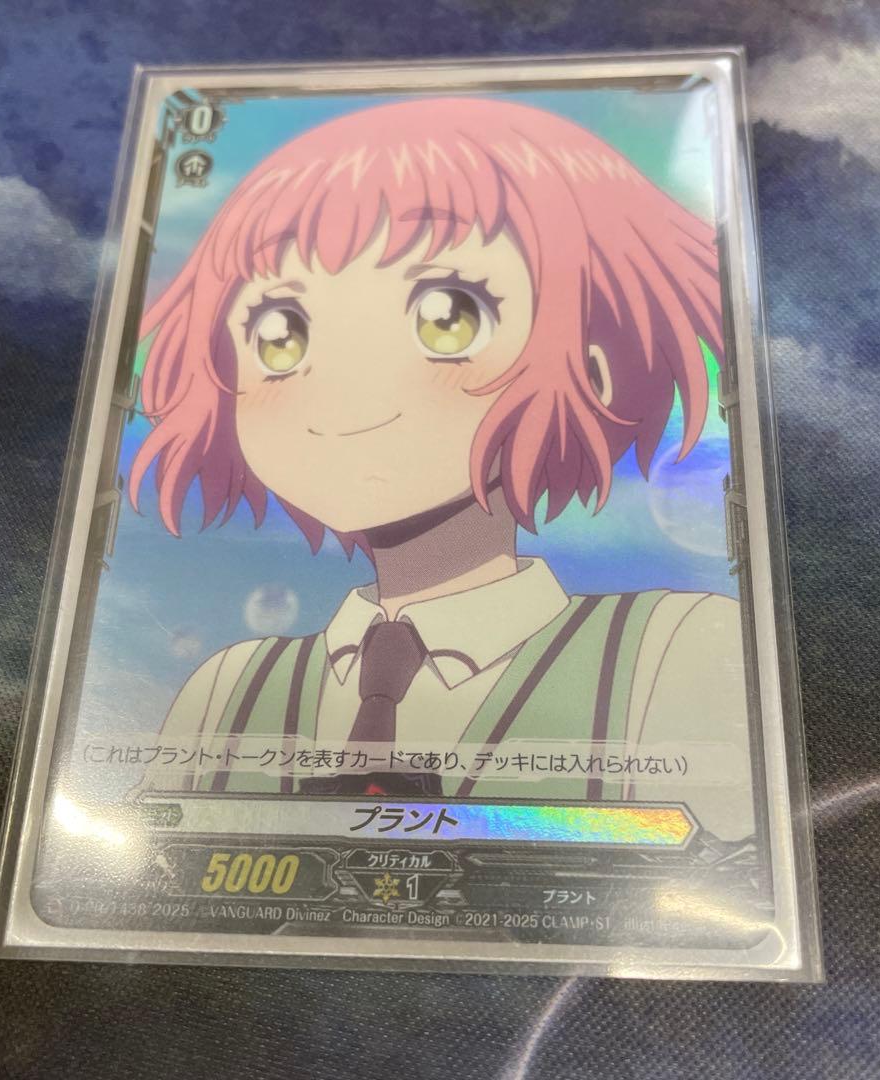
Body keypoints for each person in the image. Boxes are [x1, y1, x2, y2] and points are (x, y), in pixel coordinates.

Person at [131, 96, 754, 841]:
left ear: (598, 368)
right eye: (279, 334)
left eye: (447, 318)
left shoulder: (674, 652)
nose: (343, 392)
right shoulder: (225, 693)